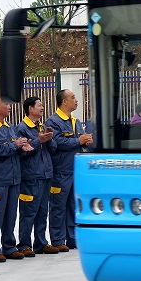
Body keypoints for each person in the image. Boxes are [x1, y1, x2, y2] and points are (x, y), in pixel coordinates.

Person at [0, 96, 33, 263]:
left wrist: (22, 147)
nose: (10, 107)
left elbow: (13, 148)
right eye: (6, 104)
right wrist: (13, 145)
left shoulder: (9, 126)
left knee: (11, 215)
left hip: (12, 179)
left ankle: (9, 247)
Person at [45, 89, 93, 251]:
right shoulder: (53, 121)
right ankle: (58, 239)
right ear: (64, 102)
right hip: (60, 171)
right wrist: (78, 141)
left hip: (75, 170)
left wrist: (86, 140)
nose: (76, 100)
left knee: (73, 205)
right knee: (58, 206)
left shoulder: (75, 121)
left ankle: (72, 238)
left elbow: (78, 140)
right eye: (73, 97)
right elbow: (57, 143)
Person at [16, 97, 59, 256]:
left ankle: (41, 242)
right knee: (28, 211)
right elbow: (21, 152)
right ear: (30, 109)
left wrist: (49, 138)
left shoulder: (42, 126)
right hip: (31, 176)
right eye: (39, 105)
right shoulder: (22, 128)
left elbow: (53, 149)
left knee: (42, 211)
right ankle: (24, 244)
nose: (42, 108)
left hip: (45, 175)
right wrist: (37, 141)